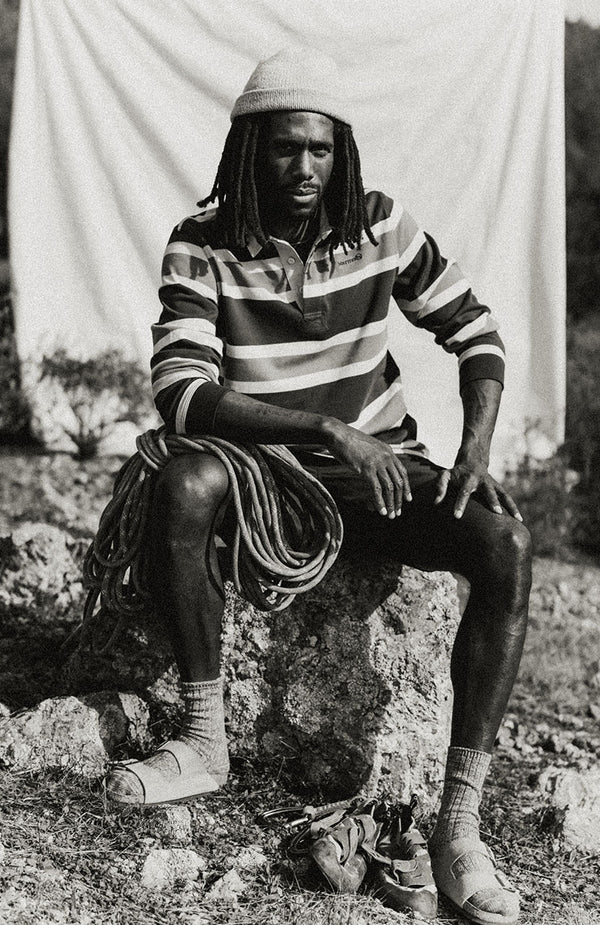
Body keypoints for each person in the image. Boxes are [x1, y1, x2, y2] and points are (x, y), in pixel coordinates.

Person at [105, 48, 531, 924]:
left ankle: (458, 826)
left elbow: (476, 330)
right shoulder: (203, 242)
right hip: (270, 475)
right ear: (250, 150)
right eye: (285, 149)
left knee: (505, 543)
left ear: (344, 153)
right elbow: (181, 391)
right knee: (182, 483)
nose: (305, 169)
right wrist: (325, 429)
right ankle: (203, 739)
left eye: (322, 149)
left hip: (380, 471)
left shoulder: (380, 226)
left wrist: (476, 451)